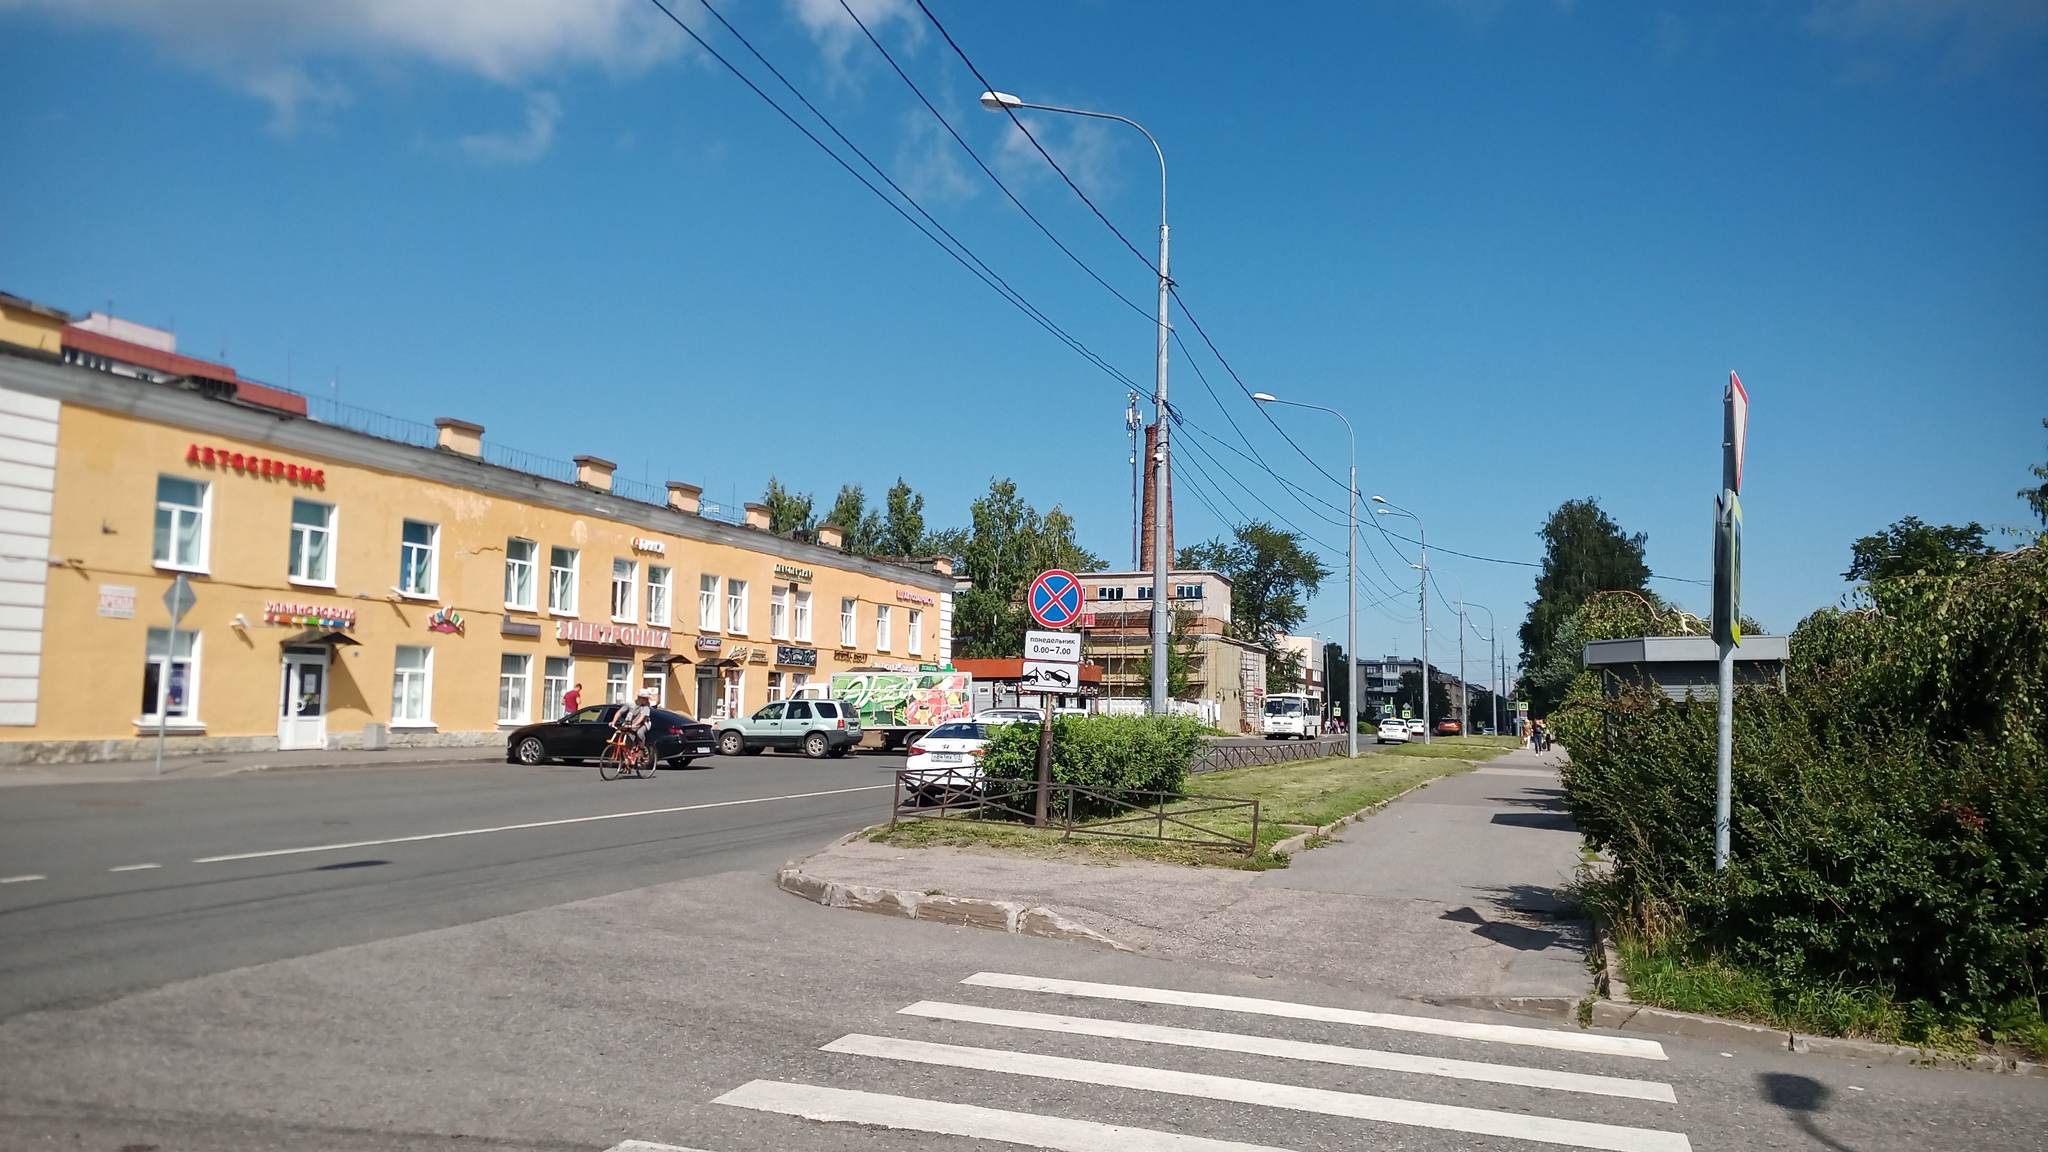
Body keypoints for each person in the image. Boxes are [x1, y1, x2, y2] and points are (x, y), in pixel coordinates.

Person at [614, 689, 655, 763]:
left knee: (639, 733)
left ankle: (642, 750)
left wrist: (635, 724)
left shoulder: (646, 706)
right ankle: (627, 761)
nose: (647, 700)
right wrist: (613, 721)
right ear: (641, 698)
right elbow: (619, 712)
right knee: (626, 739)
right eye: (646, 698)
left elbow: (642, 717)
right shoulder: (631, 703)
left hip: (643, 724)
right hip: (629, 724)